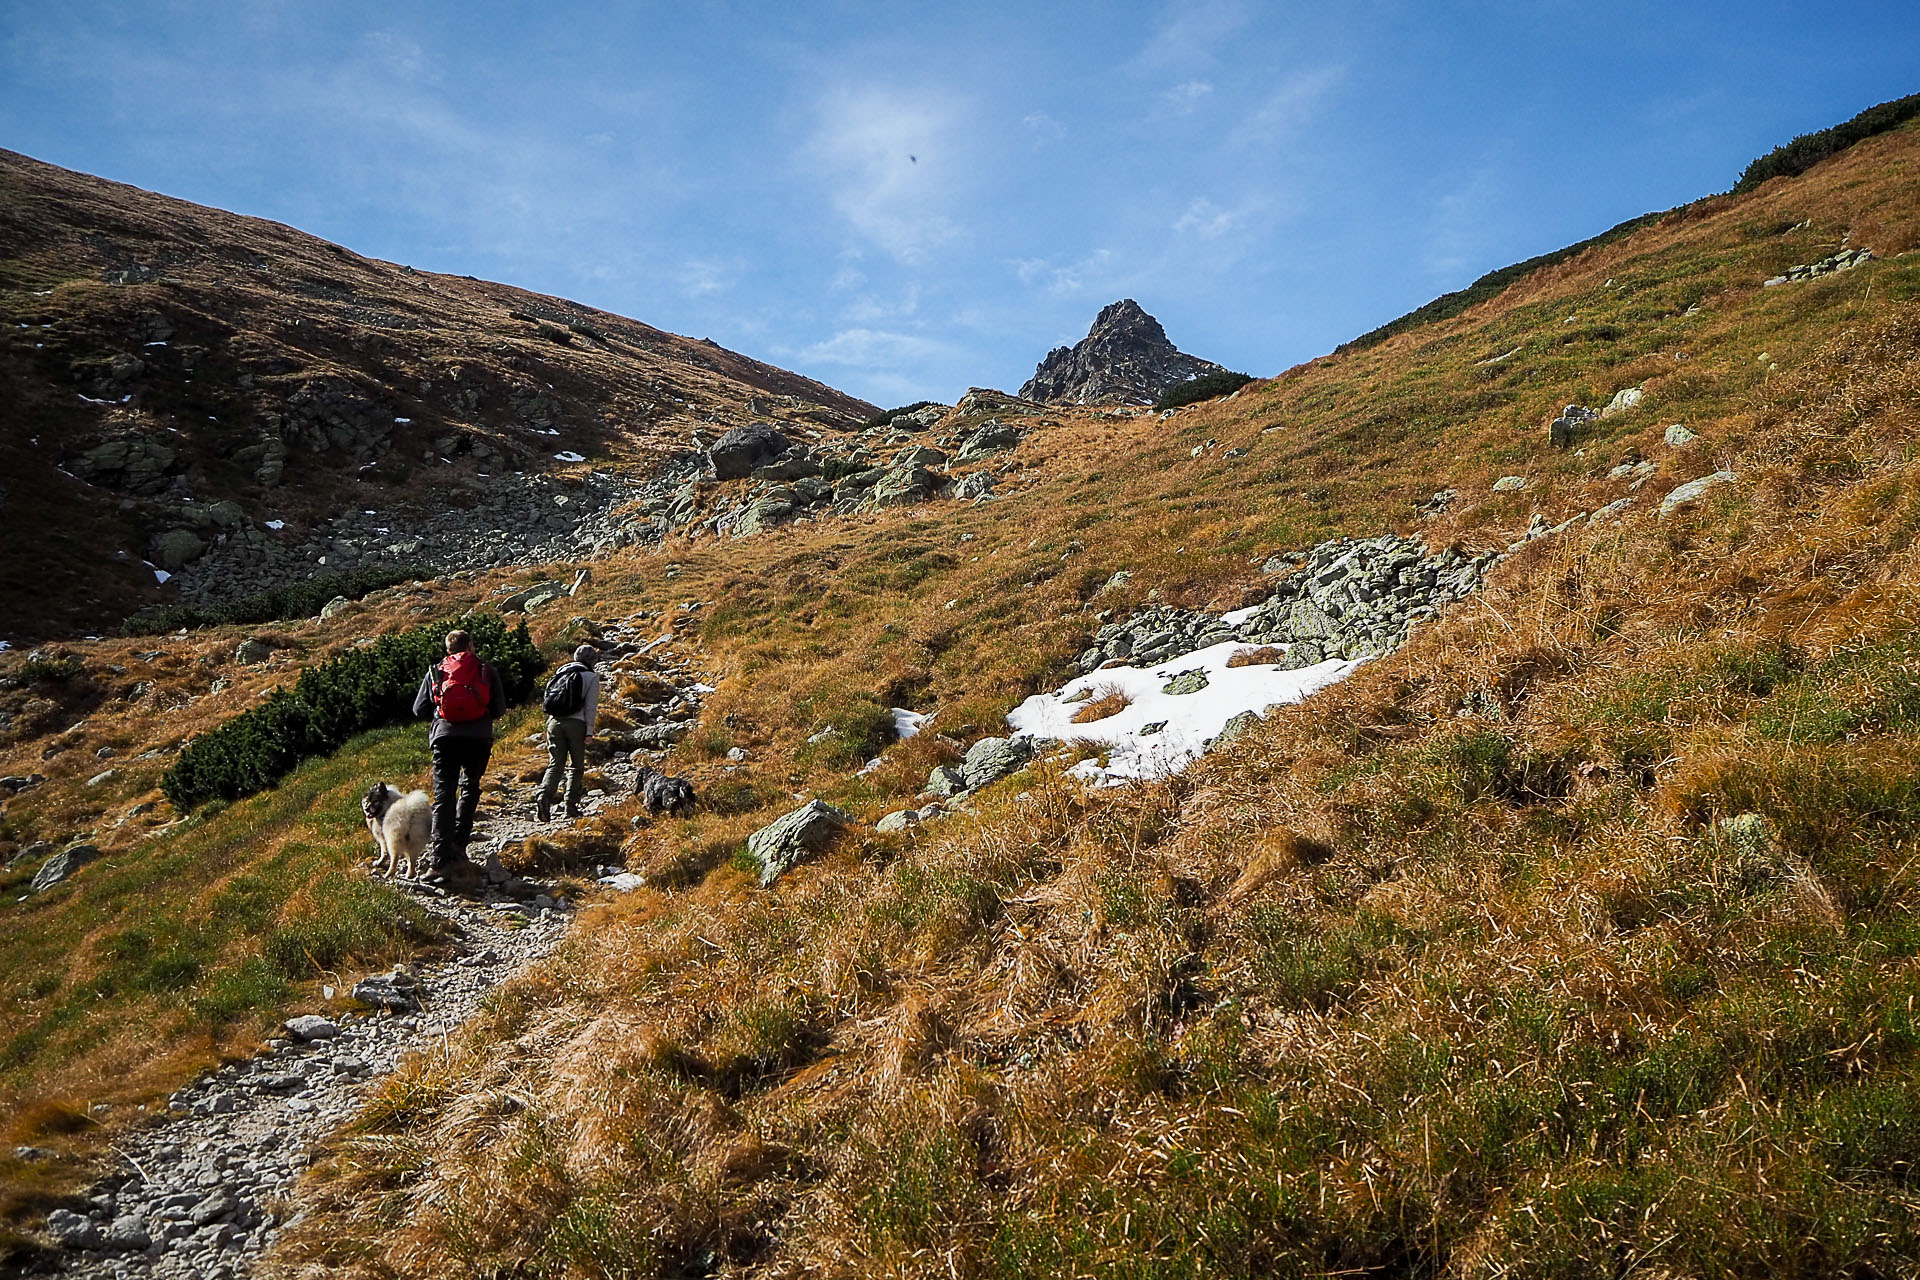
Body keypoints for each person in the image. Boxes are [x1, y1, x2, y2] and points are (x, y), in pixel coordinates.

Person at [411, 628, 507, 872]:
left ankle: (440, 858)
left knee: (444, 795)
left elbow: (419, 710)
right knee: (470, 787)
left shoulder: (437, 670)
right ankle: (459, 847)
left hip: (445, 738)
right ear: (471, 646)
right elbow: (498, 710)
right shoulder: (485, 669)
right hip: (478, 738)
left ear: (448, 649)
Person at [538, 645, 601, 822]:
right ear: (592, 660)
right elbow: (590, 707)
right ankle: (570, 806)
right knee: (576, 766)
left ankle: (544, 795)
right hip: (577, 724)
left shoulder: (560, 673)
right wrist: (589, 732)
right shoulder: (591, 677)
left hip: (554, 722)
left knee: (555, 764)